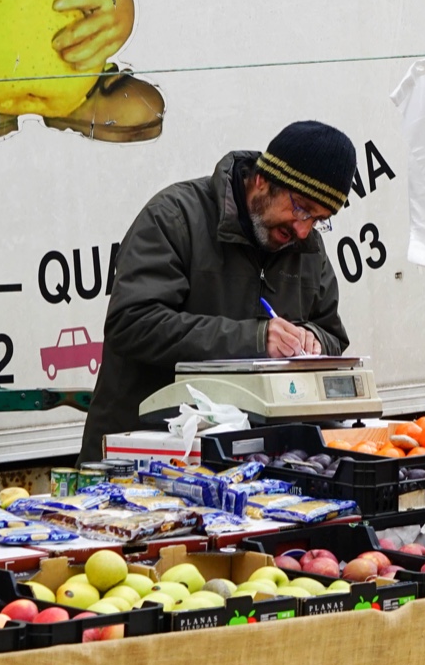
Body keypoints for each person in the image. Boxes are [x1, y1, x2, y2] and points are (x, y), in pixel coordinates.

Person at [79, 121, 356, 461]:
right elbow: (132, 323)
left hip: (251, 460)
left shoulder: (309, 247)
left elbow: (331, 332)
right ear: (262, 180)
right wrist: (255, 340)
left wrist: (312, 338)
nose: (302, 229)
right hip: (150, 452)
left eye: (318, 218)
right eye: (300, 207)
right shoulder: (174, 217)